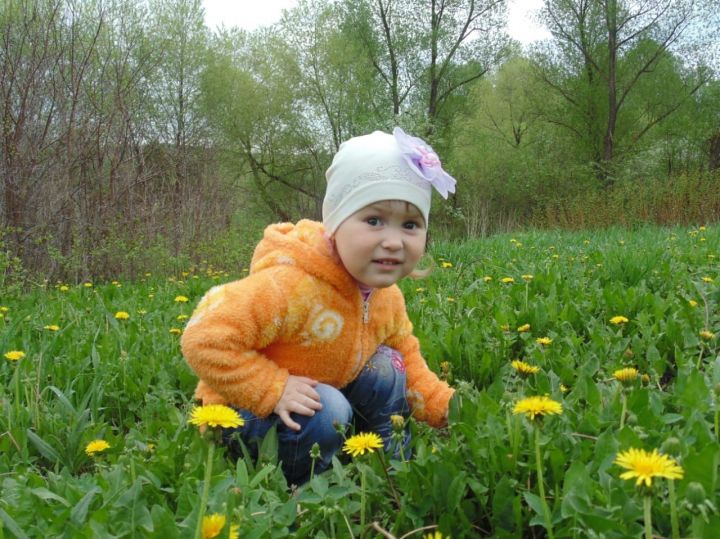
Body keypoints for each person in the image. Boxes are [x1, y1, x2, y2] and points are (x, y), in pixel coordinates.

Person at [181, 127, 456, 486]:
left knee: (391, 364)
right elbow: (202, 336)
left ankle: (395, 468)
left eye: (410, 224)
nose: (393, 241)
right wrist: (271, 388)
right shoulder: (290, 285)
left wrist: (442, 405)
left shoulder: (387, 296)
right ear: (336, 225)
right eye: (373, 221)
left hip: (314, 393)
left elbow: (409, 355)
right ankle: (305, 486)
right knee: (329, 408)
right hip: (238, 411)